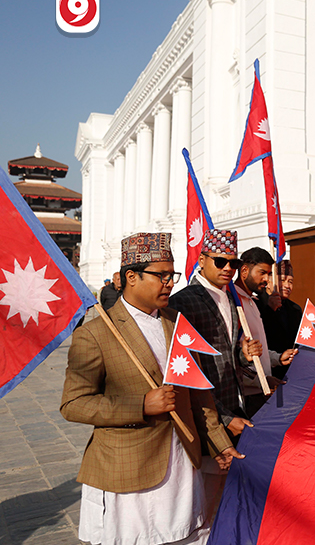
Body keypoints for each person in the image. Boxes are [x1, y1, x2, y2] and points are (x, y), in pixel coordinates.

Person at [61, 232, 243, 545]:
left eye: (172, 275)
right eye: (161, 276)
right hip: (128, 472)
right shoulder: (96, 333)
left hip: (182, 466)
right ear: (131, 277)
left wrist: (219, 442)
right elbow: (74, 403)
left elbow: (197, 391)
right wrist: (141, 405)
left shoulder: (176, 322)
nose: (169, 283)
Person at [169, 229, 260, 438]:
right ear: (202, 260)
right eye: (220, 262)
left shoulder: (231, 298)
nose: (228, 268)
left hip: (235, 403)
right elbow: (187, 370)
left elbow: (225, 353)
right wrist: (223, 417)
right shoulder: (183, 302)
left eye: (234, 263)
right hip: (206, 417)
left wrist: (242, 355)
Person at [233, 248, 296, 416]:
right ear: (244, 271)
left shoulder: (252, 302)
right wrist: (259, 381)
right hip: (246, 397)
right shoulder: (233, 302)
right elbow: (233, 356)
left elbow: (257, 349)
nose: (267, 280)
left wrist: (277, 358)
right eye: (262, 273)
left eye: (268, 274)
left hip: (261, 392)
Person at [258, 260, 301, 380]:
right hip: (264, 372)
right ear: (269, 282)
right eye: (282, 280)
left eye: (290, 282)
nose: (287, 286)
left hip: (289, 372)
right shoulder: (256, 303)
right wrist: (270, 309)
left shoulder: (295, 309)